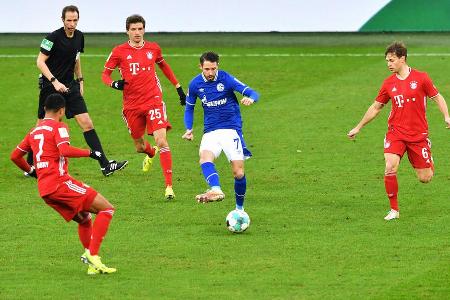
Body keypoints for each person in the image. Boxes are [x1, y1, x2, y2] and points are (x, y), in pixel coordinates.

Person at [10, 94, 117, 275]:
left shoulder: (34, 132)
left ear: (44, 109)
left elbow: (15, 156)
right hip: (60, 183)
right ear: (62, 111)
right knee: (107, 209)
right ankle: (93, 255)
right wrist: (91, 153)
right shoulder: (59, 127)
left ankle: (92, 266)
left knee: (84, 219)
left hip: (45, 190)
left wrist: (31, 171)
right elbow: (65, 150)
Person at [347, 41, 450, 220]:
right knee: (390, 166)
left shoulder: (421, 78)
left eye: (392, 60)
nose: (389, 64)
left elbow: (437, 97)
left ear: (402, 59)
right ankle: (394, 210)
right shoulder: (388, 83)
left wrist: (447, 116)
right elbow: (376, 107)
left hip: (418, 135)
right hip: (396, 133)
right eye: (387, 60)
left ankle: (428, 158)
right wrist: (358, 126)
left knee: (425, 178)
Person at [30, 5, 127, 177]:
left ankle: (105, 164)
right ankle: (32, 165)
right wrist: (54, 81)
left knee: (87, 123)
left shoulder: (79, 36)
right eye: (69, 20)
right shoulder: (51, 38)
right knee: (41, 127)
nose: (72, 24)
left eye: (75, 20)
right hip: (50, 88)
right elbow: (40, 62)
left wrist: (80, 80)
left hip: (70, 86)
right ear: (62, 20)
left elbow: (76, 58)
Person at [101, 14, 186, 200]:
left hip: (153, 100)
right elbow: (105, 75)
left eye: (140, 29)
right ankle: (150, 152)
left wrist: (178, 87)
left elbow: (164, 66)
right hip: (131, 105)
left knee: (162, 140)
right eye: (133, 29)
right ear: (127, 31)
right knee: (139, 146)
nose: (137, 33)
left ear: (144, 30)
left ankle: (169, 186)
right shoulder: (118, 51)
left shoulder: (153, 48)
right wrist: (113, 84)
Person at [182, 51, 259, 211]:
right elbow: (189, 109)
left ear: (218, 66)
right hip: (210, 131)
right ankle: (216, 189)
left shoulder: (226, 78)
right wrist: (188, 128)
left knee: (238, 173)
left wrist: (250, 98)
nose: (210, 73)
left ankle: (239, 209)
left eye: (213, 69)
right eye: (207, 69)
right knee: (204, 158)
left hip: (231, 130)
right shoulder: (195, 84)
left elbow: (252, 92)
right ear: (200, 67)